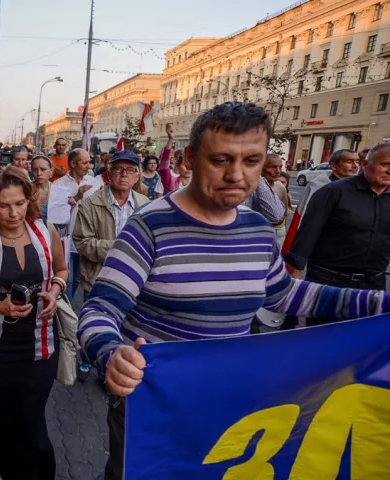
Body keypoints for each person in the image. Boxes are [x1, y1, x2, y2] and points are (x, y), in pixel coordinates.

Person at [77, 102, 390, 480]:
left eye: (252, 161)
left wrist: (380, 303)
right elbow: (99, 311)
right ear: (190, 158)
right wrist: (111, 354)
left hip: (231, 403)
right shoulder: (149, 227)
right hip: (155, 407)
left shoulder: (258, 228)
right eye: (221, 160)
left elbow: (286, 294)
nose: (236, 175)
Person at [0, 166, 69, 480]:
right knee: (0, 415)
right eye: (5, 205)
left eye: (20, 203)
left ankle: (33, 472)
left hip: (42, 346)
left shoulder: (46, 233)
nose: (13, 212)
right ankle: (3, 466)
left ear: (28, 200)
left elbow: (62, 271)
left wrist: (55, 291)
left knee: (31, 418)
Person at [283, 143, 390, 318]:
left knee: (361, 339)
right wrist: (294, 273)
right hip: (330, 282)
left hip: (373, 284)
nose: (389, 171)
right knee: (324, 338)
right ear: (365, 165)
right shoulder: (333, 192)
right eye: (385, 164)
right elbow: (308, 233)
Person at [73, 150, 149, 301]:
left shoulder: (145, 204)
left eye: (130, 170)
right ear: (109, 173)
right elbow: (82, 242)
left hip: (135, 282)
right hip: (99, 282)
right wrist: (120, 248)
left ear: (137, 177)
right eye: (119, 168)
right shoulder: (90, 203)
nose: (124, 174)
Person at [281, 149, 359, 260]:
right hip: (324, 251)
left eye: (357, 161)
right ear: (333, 165)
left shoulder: (360, 187)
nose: (355, 166)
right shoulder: (319, 186)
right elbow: (304, 222)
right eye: (349, 162)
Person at [51, 148, 104, 301]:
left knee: (85, 281)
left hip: (88, 239)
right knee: (68, 279)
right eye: (85, 162)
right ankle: (68, 315)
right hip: (68, 240)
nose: (89, 166)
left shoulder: (94, 183)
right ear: (73, 164)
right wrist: (78, 196)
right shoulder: (58, 184)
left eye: (90, 162)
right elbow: (56, 217)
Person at [263, 154, 289, 246]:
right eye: (273, 167)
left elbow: (284, 215)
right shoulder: (249, 187)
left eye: (280, 167)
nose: (278, 171)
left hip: (277, 234)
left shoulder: (280, 187)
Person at [158, 124, 191, 193]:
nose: (188, 168)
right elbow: (163, 168)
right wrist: (170, 139)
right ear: (178, 165)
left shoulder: (200, 184)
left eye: (191, 164)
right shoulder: (171, 182)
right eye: (184, 165)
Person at [31, 155, 53, 221]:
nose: (38, 173)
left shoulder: (57, 190)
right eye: (35, 170)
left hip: (51, 230)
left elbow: (62, 224)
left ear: (51, 171)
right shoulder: (27, 189)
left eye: (43, 169)